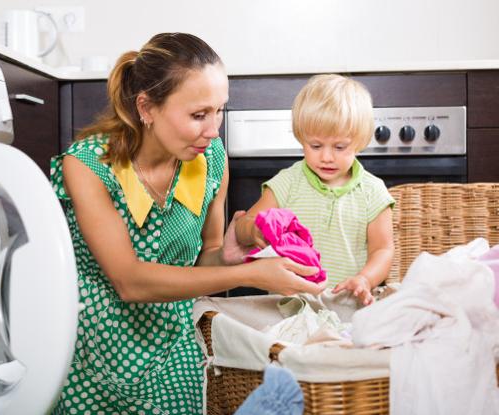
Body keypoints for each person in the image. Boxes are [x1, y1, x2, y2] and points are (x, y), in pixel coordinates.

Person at [50, 33, 325, 415]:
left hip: (171, 345)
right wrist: (254, 276)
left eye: (219, 111)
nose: (213, 130)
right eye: (199, 115)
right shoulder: (88, 166)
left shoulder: (210, 159)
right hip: (93, 352)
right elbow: (129, 280)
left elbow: (206, 260)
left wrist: (235, 257)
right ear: (146, 107)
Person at [235, 74, 395, 306]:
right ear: (301, 138)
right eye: (316, 146)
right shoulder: (288, 183)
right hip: (289, 305)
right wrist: (254, 230)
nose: (327, 157)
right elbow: (243, 226)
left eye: (340, 147)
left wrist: (365, 279)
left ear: (360, 141)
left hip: (348, 307)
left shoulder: (373, 192)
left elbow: (383, 250)